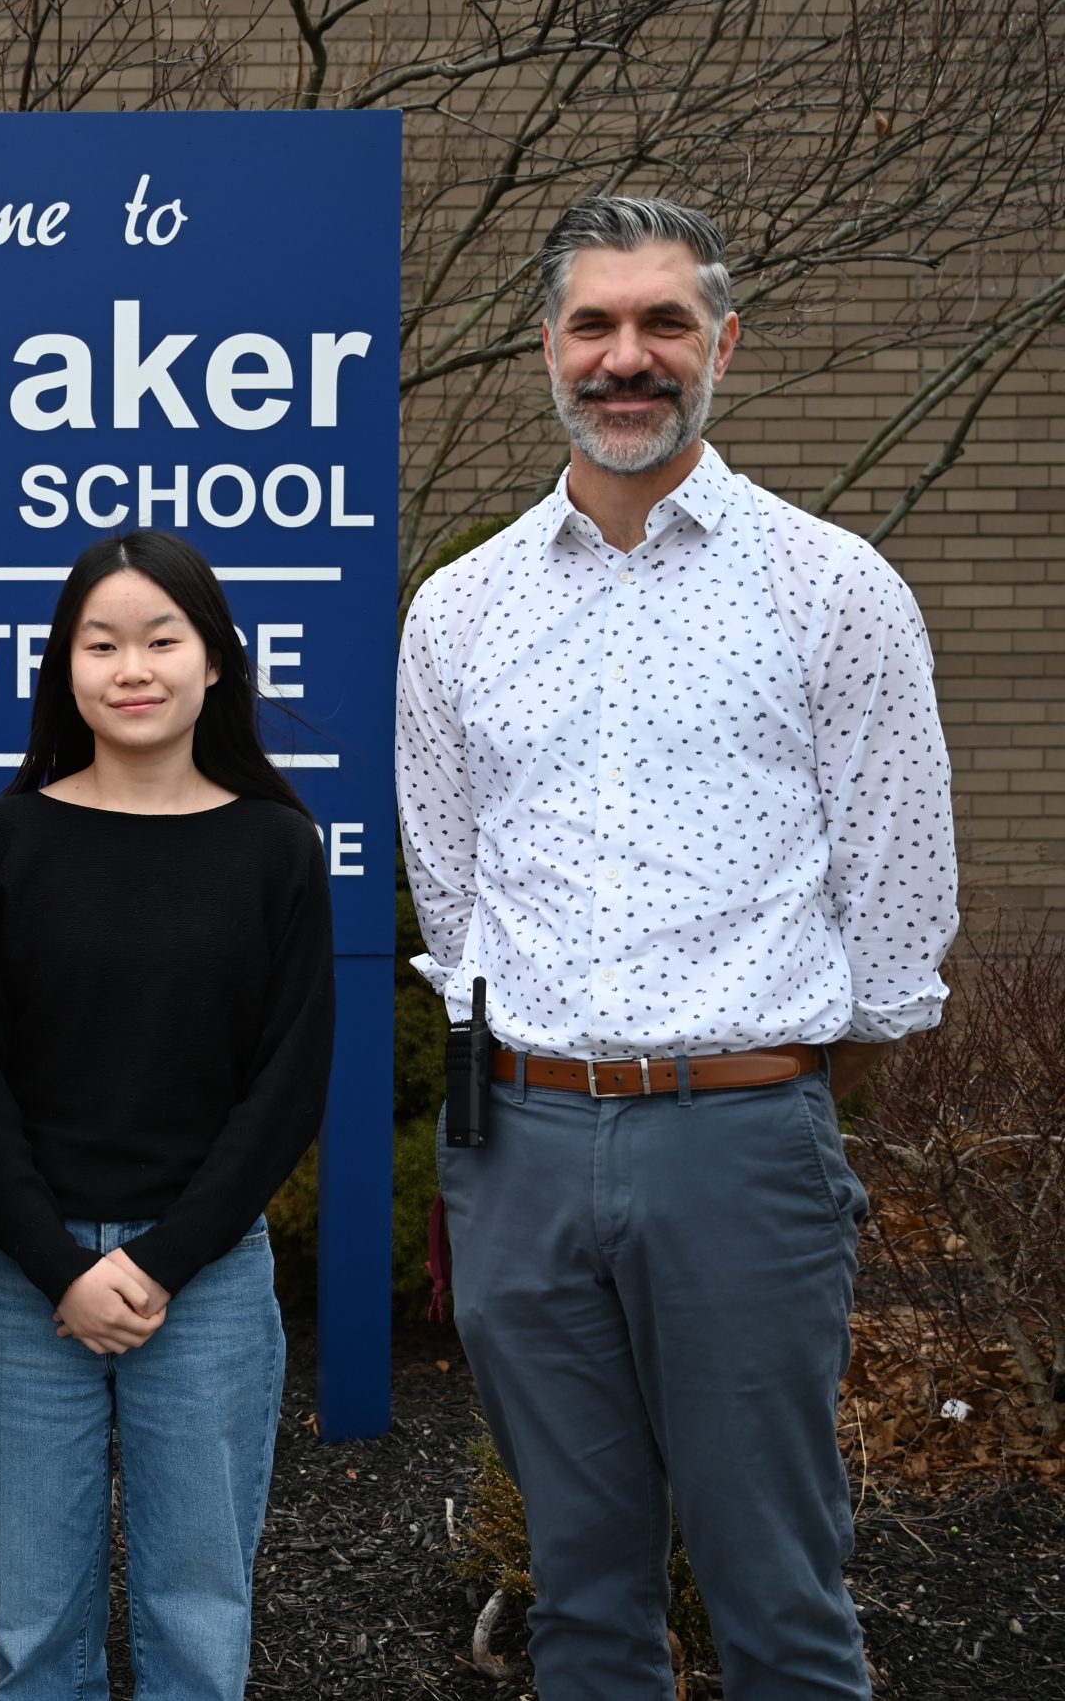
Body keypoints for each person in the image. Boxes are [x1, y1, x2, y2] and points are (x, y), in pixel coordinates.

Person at [396, 196, 959, 1701]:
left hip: (741, 1138)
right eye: (594, 324)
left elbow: (901, 904)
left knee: (779, 1594)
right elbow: (451, 893)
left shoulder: (835, 588)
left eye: (660, 323)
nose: (624, 357)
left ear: (722, 341)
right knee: (580, 1600)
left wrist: (764, 1065)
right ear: (547, 349)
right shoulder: (460, 609)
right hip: (517, 1137)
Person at [0, 530, 333, 1701]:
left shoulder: (274, 844)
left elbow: (288, 1083)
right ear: (63, 665)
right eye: (100, 641)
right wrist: (60, 1264)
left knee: (197, 1612)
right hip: (25, 1279)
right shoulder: (2, 843)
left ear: (215, 660)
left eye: (163, 638)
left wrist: (161, 1259)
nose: (133, 666)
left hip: (206, 1275)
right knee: (35, 1622)